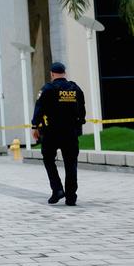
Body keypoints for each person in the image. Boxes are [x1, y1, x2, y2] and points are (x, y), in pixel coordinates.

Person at [32, 62, 86, 206]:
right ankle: (71, 196)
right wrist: (78, 123)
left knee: (48, 159)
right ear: (64, 73)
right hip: (70, 133)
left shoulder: (47, 89)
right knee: (71, 163)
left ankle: (57, 189)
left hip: (51, 133)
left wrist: (34, 126)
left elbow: (39, 108)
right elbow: (82, 110)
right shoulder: (75, 89)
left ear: (52, 74)